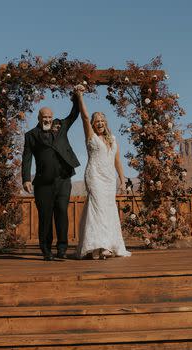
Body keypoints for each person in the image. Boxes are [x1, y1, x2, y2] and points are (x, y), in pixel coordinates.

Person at [74, 86, 131, 260]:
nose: (100, 123)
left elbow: (117, 162)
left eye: (102, 121)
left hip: (108, 179)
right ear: (92, 124)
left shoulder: (113, 140)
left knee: (108, 210)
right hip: (95, 176)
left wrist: (122, 180)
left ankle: (107, 245)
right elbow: (84, 116)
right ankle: (98, 246)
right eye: (97, 121)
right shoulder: (90, 136)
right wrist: (80, 96)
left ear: (106, 123)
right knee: (97, 208)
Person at [22, 96, 80, 261]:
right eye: (44, 117)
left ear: (52, 117)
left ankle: (62, 249)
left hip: (63, 180)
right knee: (45, 216)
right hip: (43, 183)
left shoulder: (60, 126)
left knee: (62, 213)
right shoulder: (31, 135)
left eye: (49, 117)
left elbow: (74, 114)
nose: (47, 119)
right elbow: (26, 158)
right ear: (39, 118)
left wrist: (76, 97)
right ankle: (46, 250)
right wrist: (26, 178)